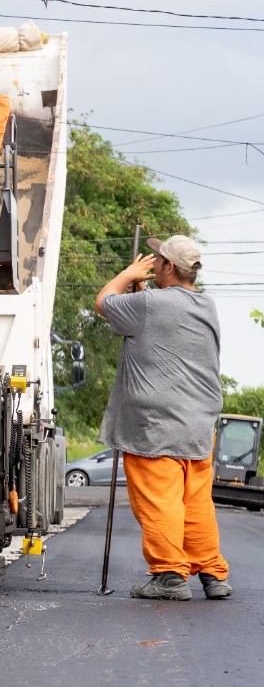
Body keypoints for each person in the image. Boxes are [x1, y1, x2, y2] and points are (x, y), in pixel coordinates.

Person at [95, 235, 230, 600]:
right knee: (195, 502)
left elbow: (104, 302)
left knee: (161, 499)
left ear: (170, 267)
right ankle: (212, 573)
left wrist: (129, 274)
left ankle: (169, 575)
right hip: (198, 424)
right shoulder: (207, 305)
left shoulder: (150, 304)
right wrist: (144, 291)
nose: (152, 263)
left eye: (157, 259)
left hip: (155, 425)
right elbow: (161, 321)